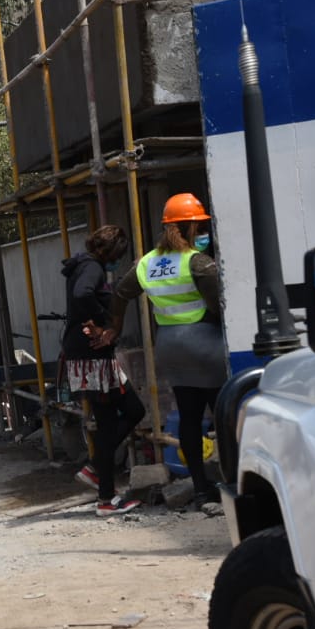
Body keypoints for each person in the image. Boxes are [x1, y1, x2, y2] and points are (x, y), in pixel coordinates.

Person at [92, 193, 228, 511]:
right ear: (190, 227)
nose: (202, 231)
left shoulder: (147, 263)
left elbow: (120, 295)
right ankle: (232, 484)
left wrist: (114, 328)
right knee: (223, 417)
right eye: (200, 226)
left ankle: (201, 491)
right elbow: (218, 305)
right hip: (205, 344)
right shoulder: (198, 262)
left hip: (169, 346)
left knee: (190, 419)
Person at [62, 225, 146, 515]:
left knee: (109, 422)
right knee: (132, 411)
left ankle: (104, 492)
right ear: (109, 252)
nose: (117, 261)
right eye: (117, 256)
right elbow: (84, 294)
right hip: (93, 356)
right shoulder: (92, 268)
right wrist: (105, 321)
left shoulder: (83, 265)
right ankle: (99, 478)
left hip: (86, 354)